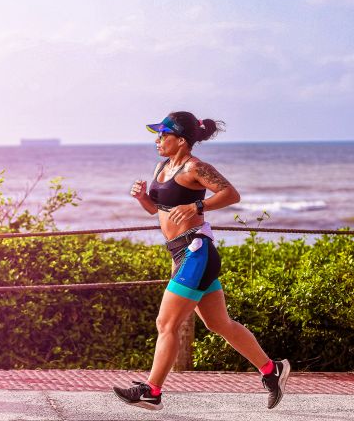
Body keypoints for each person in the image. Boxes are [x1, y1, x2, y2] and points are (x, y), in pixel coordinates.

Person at [112, 111, 290, 411]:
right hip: (181, 253)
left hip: (197, 252)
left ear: (181, 140)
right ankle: (272, 371)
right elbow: (159, 210)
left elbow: (231, 194)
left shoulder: (196, 168)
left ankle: (152, 391)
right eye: (157, 135)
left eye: (163, 135)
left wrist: (198, 204)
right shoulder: (162, 167)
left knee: (165, 323)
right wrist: (143, 198)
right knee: (220, 323)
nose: (157, 140)